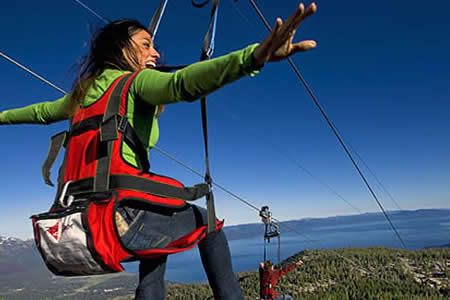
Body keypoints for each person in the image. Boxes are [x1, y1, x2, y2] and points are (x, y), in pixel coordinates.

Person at [0, 2, 317, 299]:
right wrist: (254, 56)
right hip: (119, 216)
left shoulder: (81, 97)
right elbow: (182, 83)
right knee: (209, 224)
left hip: (84, 220)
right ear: (121, 48)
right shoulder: (135, 82)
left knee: (158, 241)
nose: (155, 52)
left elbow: (41, 111)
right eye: (145, 44)